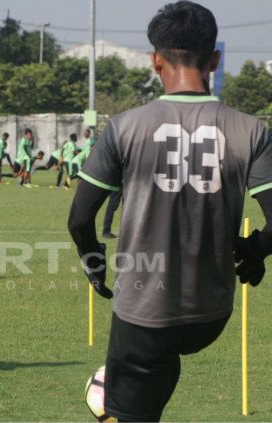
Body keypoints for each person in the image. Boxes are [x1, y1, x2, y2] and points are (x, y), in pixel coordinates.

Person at [68, 2, 272, 421]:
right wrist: (255, 249)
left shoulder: (124, 127)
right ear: (214, 58)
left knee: (124, 413)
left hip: (144, 310)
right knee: (153, 380)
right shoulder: (252, 130)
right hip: (211, 313)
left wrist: (93, 263)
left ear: (155, 60)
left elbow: (79, 219)